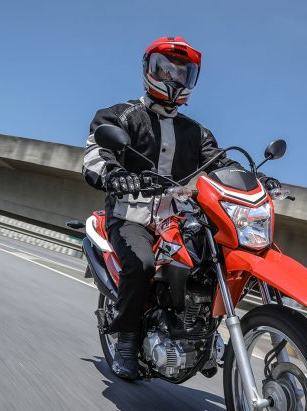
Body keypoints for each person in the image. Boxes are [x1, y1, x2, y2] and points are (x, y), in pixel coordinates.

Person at [81, 36, 280, 379]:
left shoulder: (196, 132)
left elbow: (222, 164)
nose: (173, 78)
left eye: (182, 73)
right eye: (165, 69)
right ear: (149, 69)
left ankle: (197, 329)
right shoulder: (121, 115)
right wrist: (116, 175)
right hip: (131, 216)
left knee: (214, 257)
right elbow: (96, 155)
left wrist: (256, 180)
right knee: (142, 264)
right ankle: (127, 340)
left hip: (176, 220)